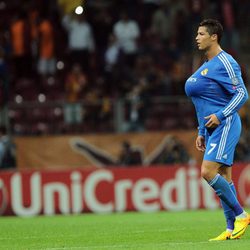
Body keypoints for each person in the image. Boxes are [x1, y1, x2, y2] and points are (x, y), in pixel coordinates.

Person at [185, 19, 249, 241]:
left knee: (207, 172)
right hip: (211, 127)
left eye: (201, 33)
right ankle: (231, 229)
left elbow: (242, 94)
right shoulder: (205, 65)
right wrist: (201, 130)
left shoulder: (226, 61)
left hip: (225, 123)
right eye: (197, 33)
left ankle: (242, 215)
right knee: (223, 176)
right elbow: (202, 102)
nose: (197, 37)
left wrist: (220, 116)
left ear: (214, 37)